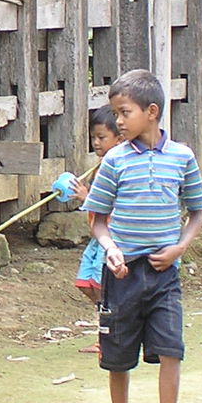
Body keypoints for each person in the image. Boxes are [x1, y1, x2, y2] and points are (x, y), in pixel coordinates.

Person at [84, 68, 202, 403]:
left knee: (172, 352)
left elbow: (196, 212)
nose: (118, 121)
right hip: (121, 274)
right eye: (116, 113)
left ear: (152, 112)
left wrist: (179, 249)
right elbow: (97, 220)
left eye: (124, 112)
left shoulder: (182, 156)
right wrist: (111, 250)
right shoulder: (116, 160)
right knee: (118, 358)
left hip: (164, 273)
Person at [76, 106, 124, 353]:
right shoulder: (99, 166)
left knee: (103, 285)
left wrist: (86, 197)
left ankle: (108, 336)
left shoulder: (118, 166)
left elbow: (113, 204)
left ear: (119, 139)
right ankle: (109, 317)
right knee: (86, 283)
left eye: (102, 137)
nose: (96, 142)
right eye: (93, 137)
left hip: (111, 237)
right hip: (97, 238)